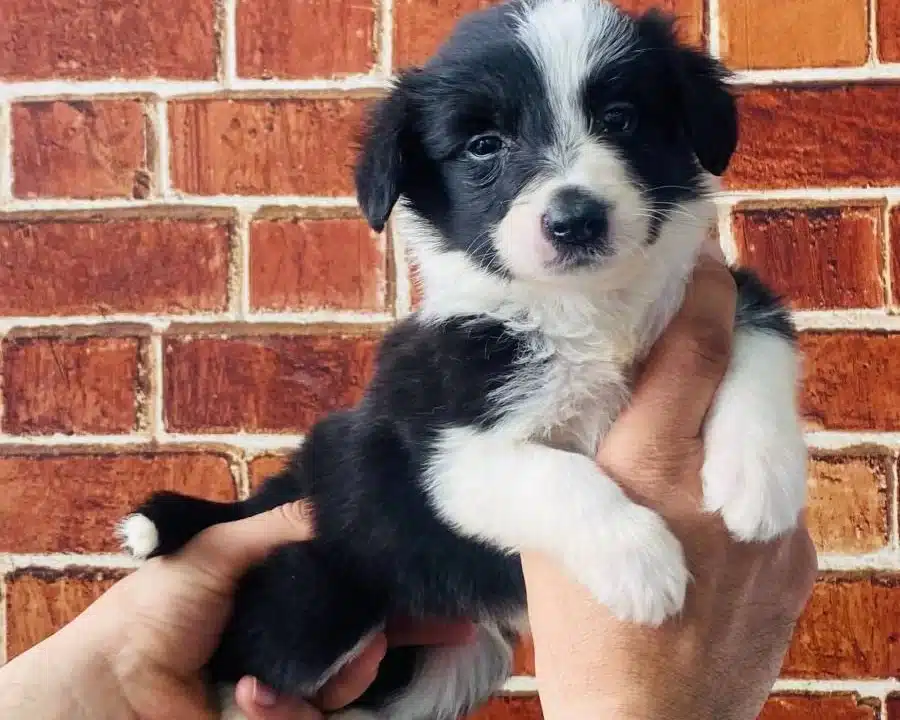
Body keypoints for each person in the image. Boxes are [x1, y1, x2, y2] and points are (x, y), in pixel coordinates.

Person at [0, 245, 817, 720]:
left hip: (473, 604)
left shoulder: (680, 277)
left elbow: (750, 321)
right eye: (490, 146)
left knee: (467, 662)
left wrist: (756, 425)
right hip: (370, 549)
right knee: (319, 632)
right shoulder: (475, 329)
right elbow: (462, 471)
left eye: (624, 120)